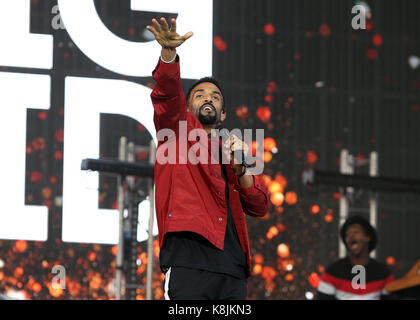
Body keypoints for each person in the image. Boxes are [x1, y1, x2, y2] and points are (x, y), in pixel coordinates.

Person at [146, 18, 269, 300]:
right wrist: (168, 55)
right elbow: (166, 94)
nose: (208, 98)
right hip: (189, 259)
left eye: (215, 96)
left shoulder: (232, 149)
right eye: (199, 94)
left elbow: (260, 206)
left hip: (232, 268)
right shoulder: (175, 132)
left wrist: (242, 168)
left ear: (223, 115)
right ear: (187, 107)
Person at [317, 215, 394, 300]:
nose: (351, 236)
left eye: (355, 232)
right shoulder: (333, 272)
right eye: (347, 235)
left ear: (368, 237)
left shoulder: (383, 273)